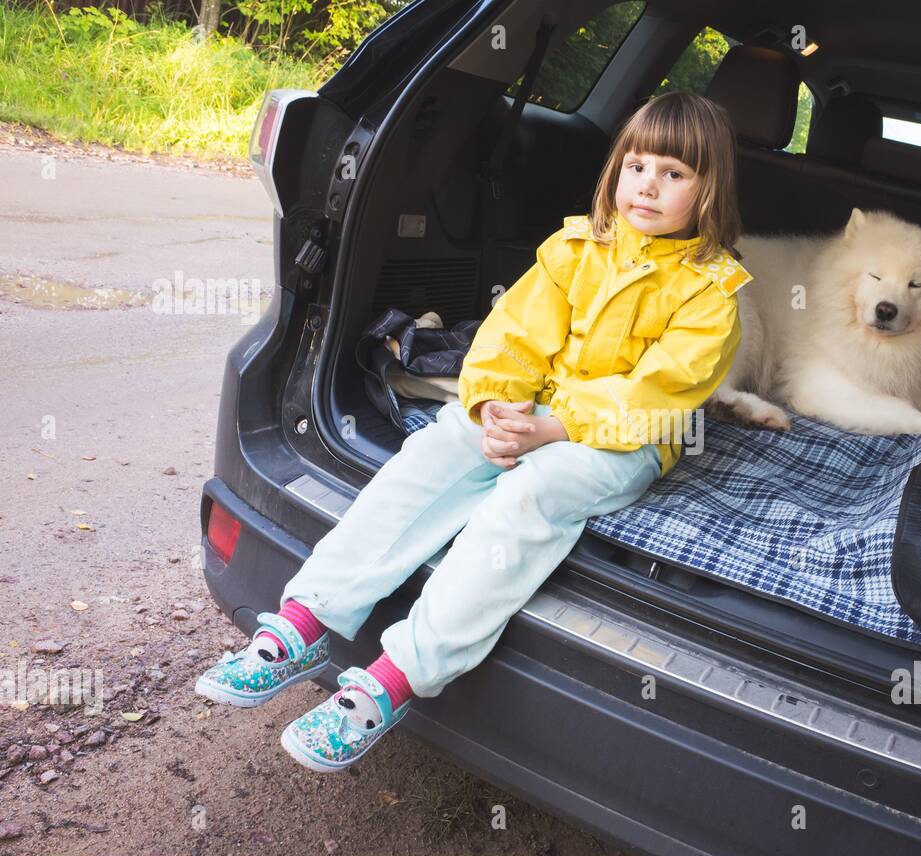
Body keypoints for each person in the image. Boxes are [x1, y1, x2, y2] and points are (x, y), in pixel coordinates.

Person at [193, 91, 753, 772]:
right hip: (530, 412)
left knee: (534, 492)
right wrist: (492, 406)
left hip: (624, 440)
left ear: (708, 188)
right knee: (441, 444)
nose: (648, 185)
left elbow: (656, 393)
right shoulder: (575, 248)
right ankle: (307, 621)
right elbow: (511, 336)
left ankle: (394, 679)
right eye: (637, 165)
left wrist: (553, 428)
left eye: (674, 173)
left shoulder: (711, 293)